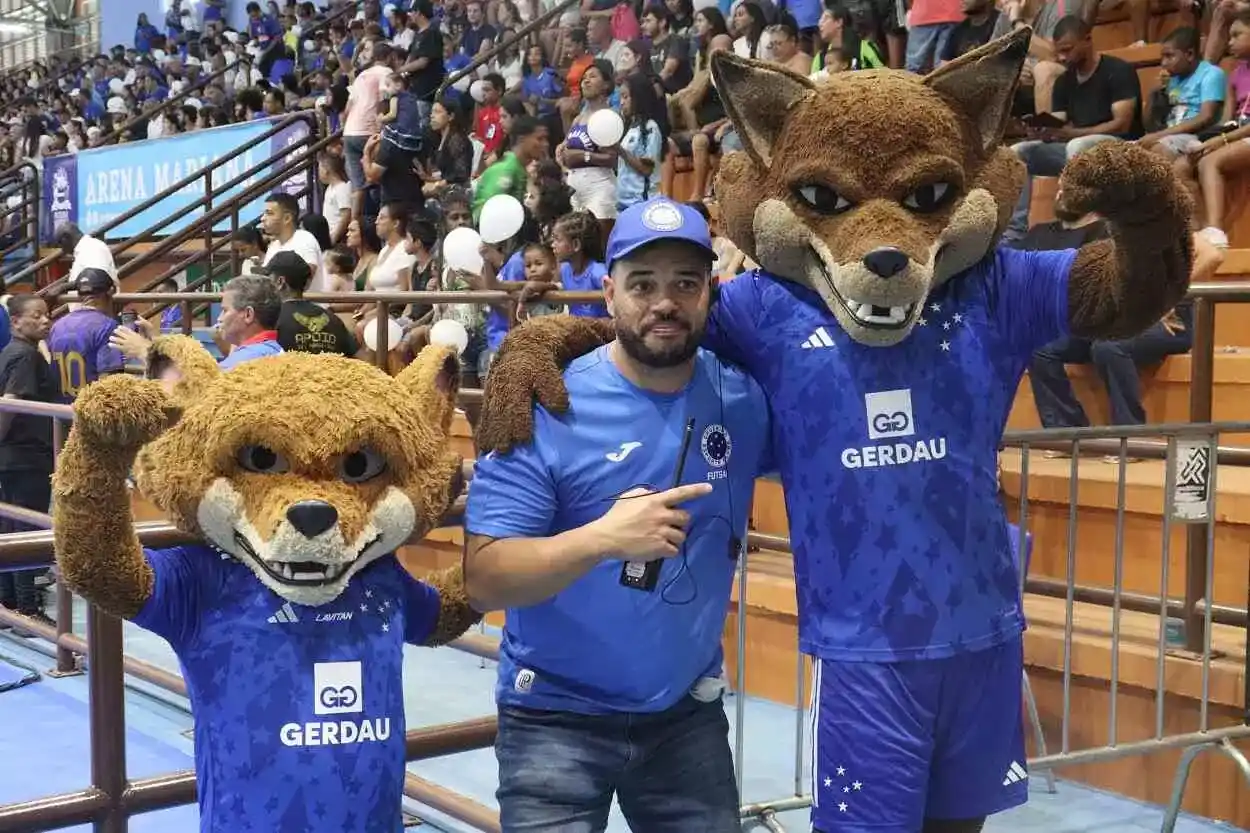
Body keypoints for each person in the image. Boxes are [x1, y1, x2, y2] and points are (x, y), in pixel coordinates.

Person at [463, 198, 773, 832]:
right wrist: (602, 540)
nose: (665, 302)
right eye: (643, 284)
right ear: (608, 293)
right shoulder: (546, 401)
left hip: (685, 717)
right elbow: (485, 578)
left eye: (685, 283)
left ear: (710, 293)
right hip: (554, 716)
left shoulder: (743, 398)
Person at [0, 294, 58, 625]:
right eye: (36, 316)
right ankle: (27, 609)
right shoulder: (25, 358)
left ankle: (8, 602)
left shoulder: (13, 351)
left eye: (47, 315)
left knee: (10, 527)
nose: (45, 321)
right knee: (26, 528)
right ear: (16, 321)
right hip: (25, 455)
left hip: (15, 456)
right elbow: (10, 402)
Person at [47, 268, 126, 402]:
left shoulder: (57, 325)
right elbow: (110, 384)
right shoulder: (107, 326)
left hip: (61, 411)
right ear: (111, 291)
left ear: (79, 295)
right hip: (91, 413)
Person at [268, 251, 359, 357]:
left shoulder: (271, 320)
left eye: (269, 279)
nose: (266, 284)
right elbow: (354, 359)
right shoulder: (333, 320)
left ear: (280, 282)